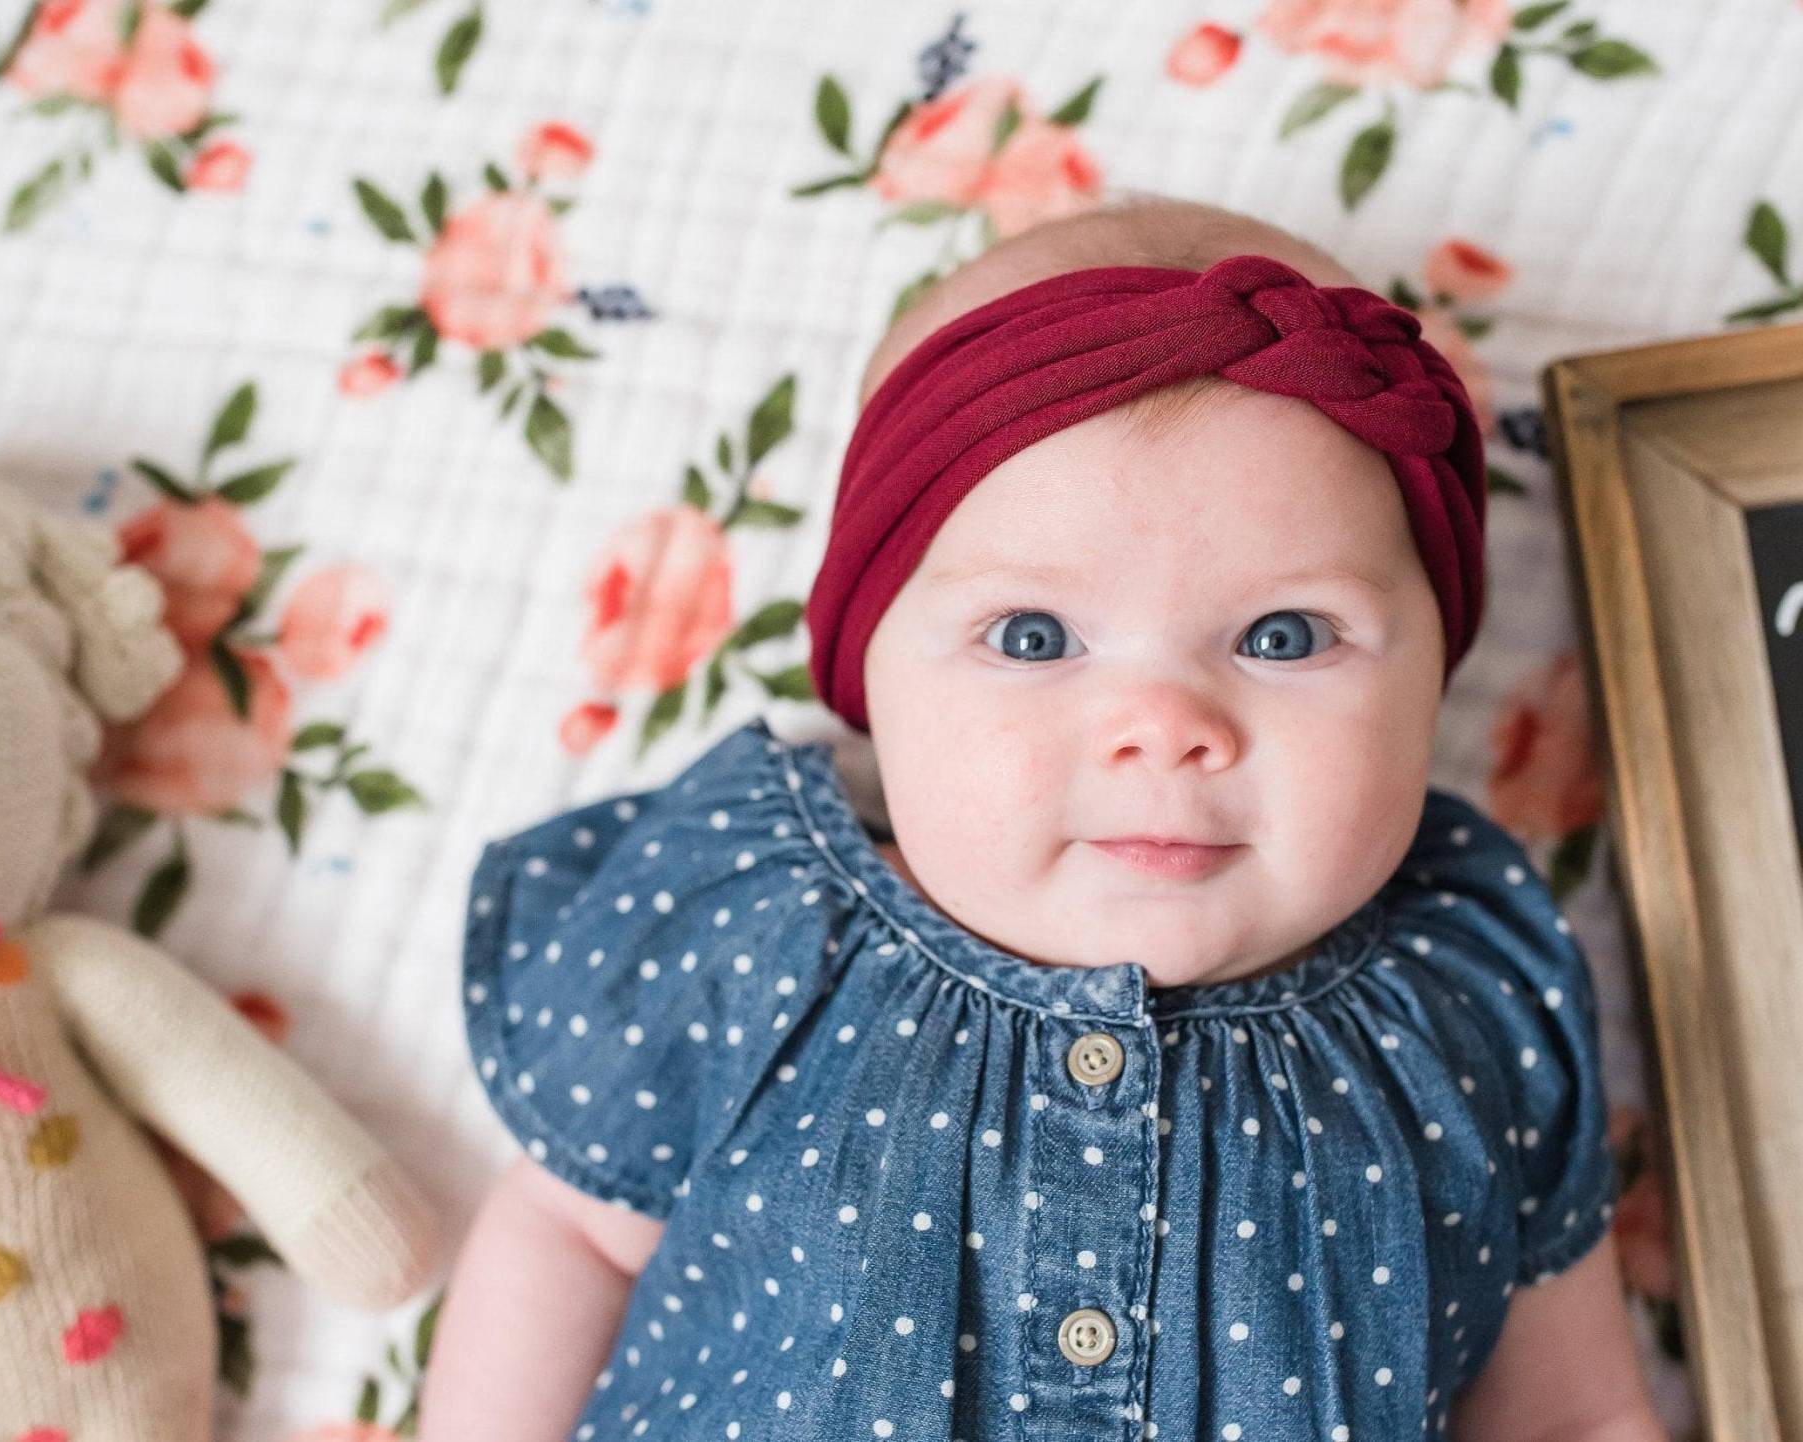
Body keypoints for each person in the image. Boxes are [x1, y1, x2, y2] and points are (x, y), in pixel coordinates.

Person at [421, 196, 1670, 1440]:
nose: (1165, 726)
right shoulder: (762, 926)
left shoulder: (1470, 1001)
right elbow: (573, 1230)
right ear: (874, 679)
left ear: (1432, 673)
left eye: (1283, 637)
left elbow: (1570, 1411)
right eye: (1033, 637)